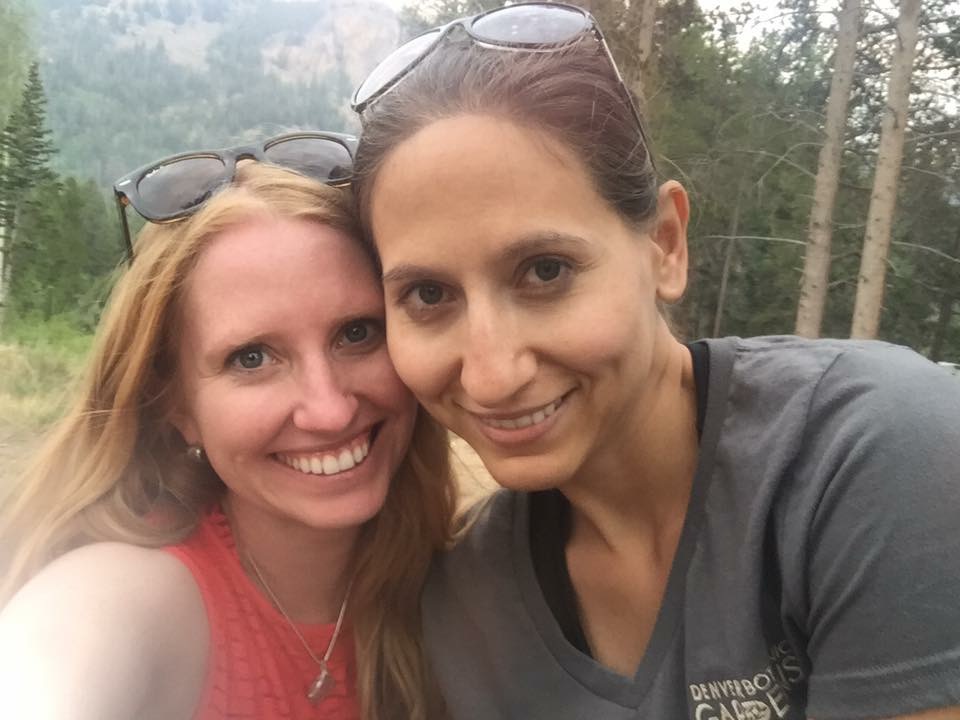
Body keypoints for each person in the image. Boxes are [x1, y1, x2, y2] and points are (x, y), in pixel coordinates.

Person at [349, 4, 960, 719]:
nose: (492, 375)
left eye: (545, 271)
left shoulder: (869, 457)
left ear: (665, 244)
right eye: (428, 294)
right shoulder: (470, 605)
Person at [0, 135, 455, 720]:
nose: (331, 411)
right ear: (175, 404)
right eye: (252, 358)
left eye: (357, 333)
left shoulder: (462, 583)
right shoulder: (127, 597)